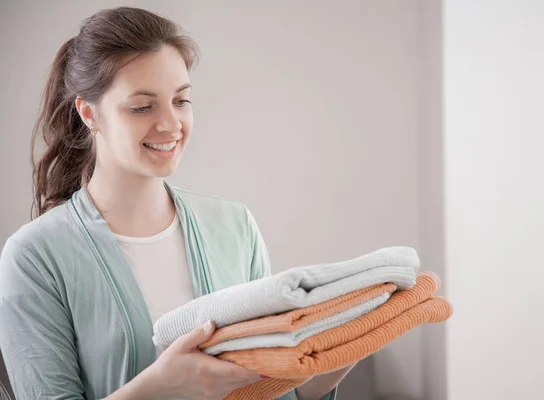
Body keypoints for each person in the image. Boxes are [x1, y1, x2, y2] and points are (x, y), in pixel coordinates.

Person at [0, 6, 355, 400]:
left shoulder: (234, 226)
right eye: (142, 106)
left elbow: (267, 391)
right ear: (89, 113)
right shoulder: (34, 257)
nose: (171, 124)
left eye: (181, 100)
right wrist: (160, 387)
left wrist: (340, 353)